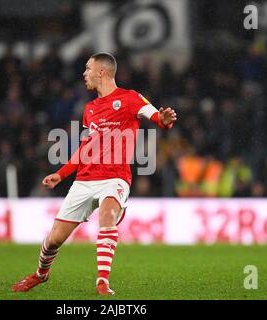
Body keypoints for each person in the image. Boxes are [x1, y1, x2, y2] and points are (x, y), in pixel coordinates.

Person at [12, 53, 177, 295]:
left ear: (101, 71)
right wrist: (61, 173)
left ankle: (102, 281)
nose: (84, 73)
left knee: (108, 214)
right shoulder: (90, 109)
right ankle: (40, 274)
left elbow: (156, 117)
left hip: (115, 178)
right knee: (55, 239)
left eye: (88, 68)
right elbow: (86, 147)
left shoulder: (130, 98)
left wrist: (163, 120)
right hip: (85, 181)